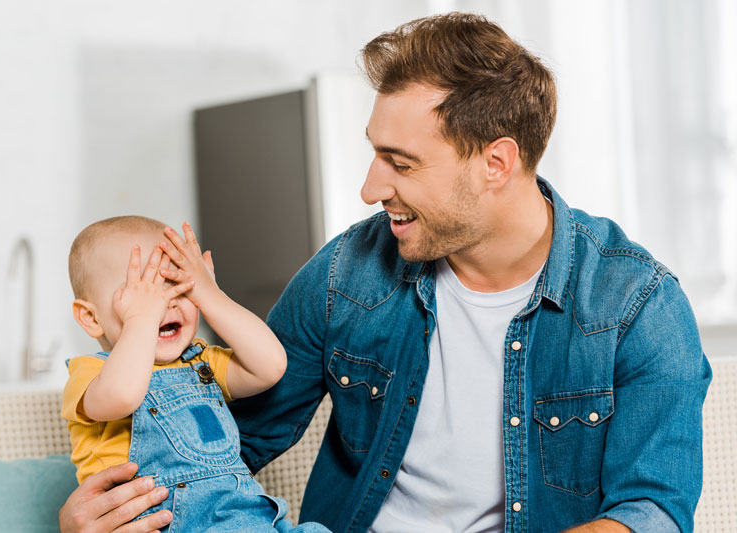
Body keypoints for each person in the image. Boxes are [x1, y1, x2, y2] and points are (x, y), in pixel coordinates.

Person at [60, 13, 711, 533]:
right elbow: (229, 436)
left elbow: (651, 512)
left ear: (496, 162)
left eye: (399, 162)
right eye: (375, 153)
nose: (371, 187)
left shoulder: (637, 305)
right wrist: (94, 515)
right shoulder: (347, 273)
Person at [63, 215, 330, 532]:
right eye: (143, 294)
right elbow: (123, 395)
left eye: (176, 287)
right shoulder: (92, 372)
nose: (166, 304)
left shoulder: (200, 362)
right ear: (91, 318)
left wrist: (209, 293)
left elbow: (271, 366)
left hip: (245, 519)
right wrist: (141, 321)